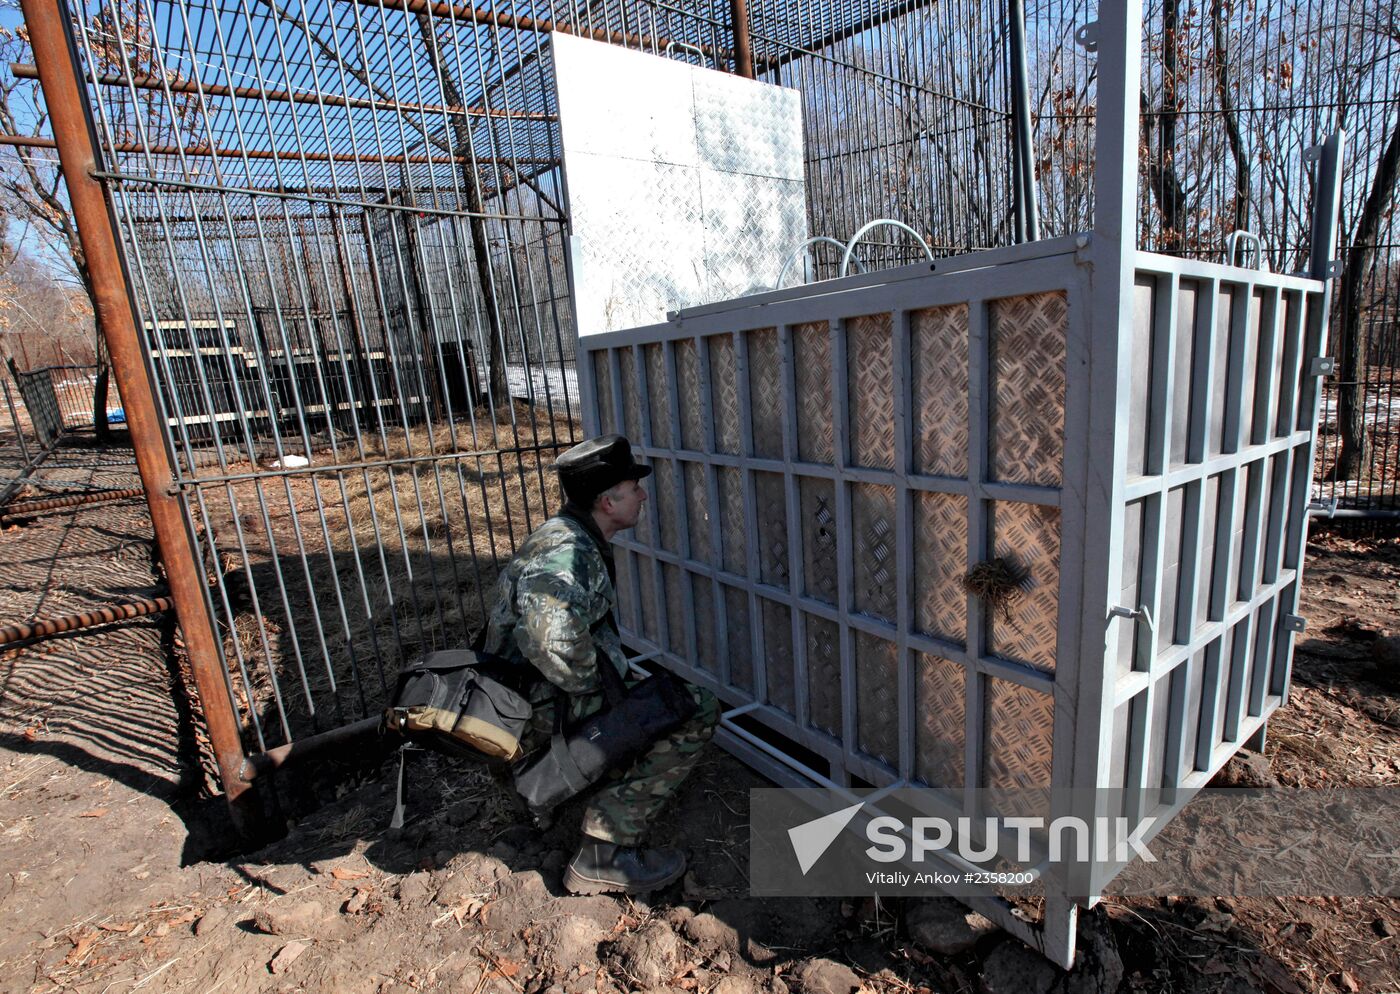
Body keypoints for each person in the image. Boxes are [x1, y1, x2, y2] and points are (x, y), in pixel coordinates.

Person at [482, 433, 719, 895]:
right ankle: (604, 852)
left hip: (526, 696)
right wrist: (609, 696)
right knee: (696, 709)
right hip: (534, 710)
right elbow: (549, 638)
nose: (643, 496)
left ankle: (554, 789)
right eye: (634, 488)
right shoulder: (568, 552)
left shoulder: (572, 534)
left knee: (643, 695)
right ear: (609, 502)